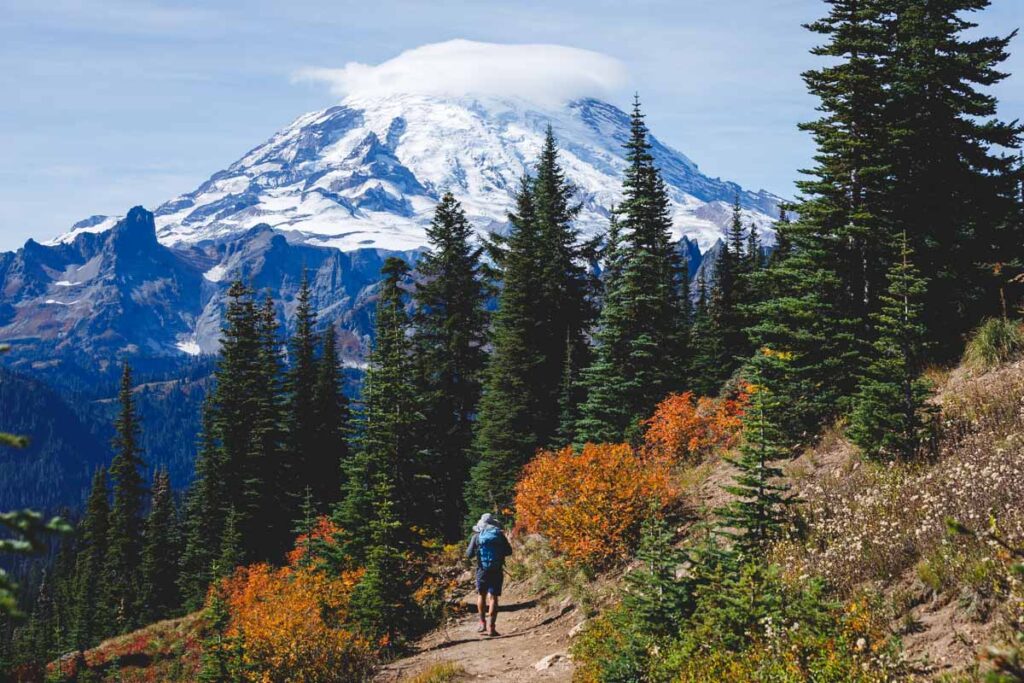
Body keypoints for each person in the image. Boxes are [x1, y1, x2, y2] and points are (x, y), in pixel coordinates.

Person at [465, 512, 513, 636]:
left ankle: (482, 623)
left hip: (482, 569)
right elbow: (509, 551)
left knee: (481, 595)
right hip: (496, 569)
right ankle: (492, 628)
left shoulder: (477, 536)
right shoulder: (499, 535)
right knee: (493, 597)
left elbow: (468, 554)